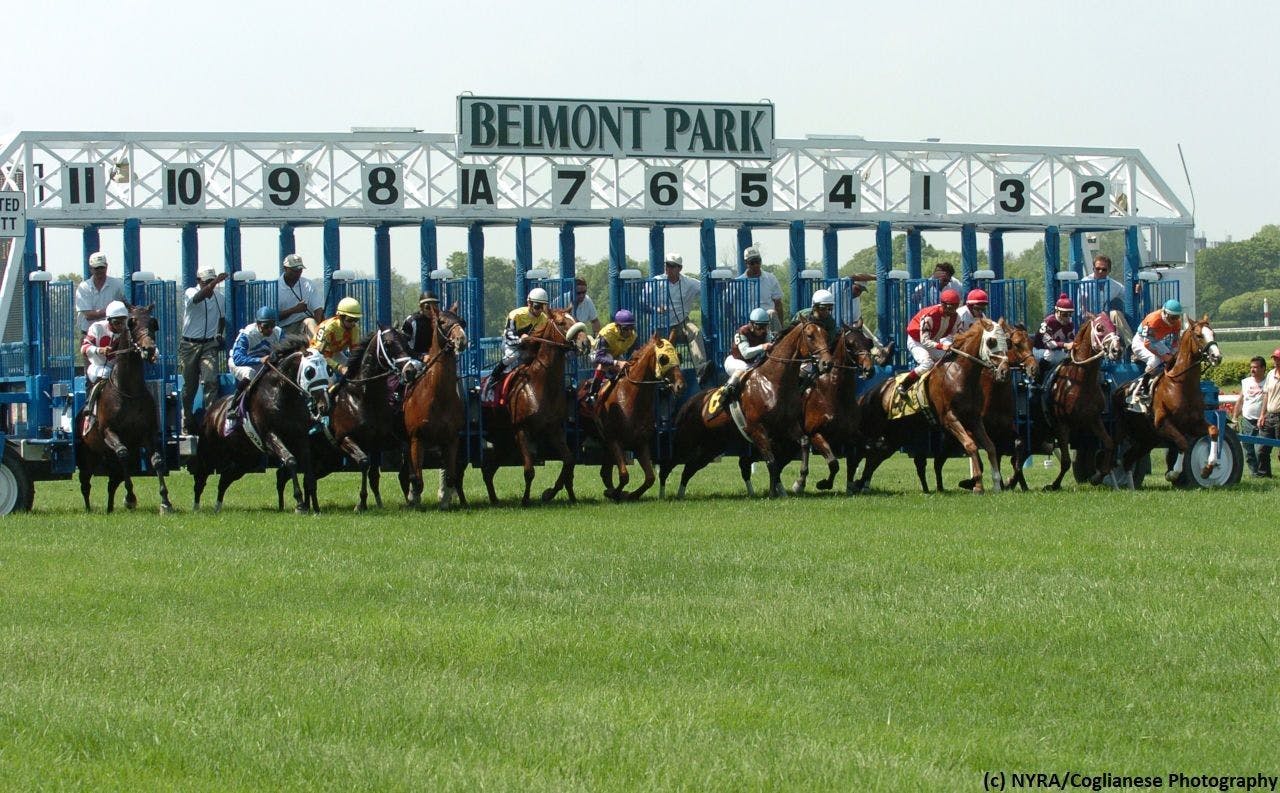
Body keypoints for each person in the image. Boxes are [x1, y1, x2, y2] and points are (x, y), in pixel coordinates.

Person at [178, 267, 228, 434]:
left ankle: (210, 420)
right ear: (199, 281)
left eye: (212, 281)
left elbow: (222, 318)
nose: (210, 286)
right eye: (206, 282)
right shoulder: (190, 292)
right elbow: (199, 298)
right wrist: (215, 283)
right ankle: (187, 418)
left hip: (208, 344)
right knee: (189, 386)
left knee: (210, 380)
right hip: (190, 345)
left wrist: (219, 333)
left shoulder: (220, 298)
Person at [484, 288, 552, 402]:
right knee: (512, 356)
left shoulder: (544, 319)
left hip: (529, 347)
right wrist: (521, 340)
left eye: (543, 307)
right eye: (537, 306)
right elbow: (509, 336)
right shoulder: (516, 315)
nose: (540, 310)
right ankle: (492, 380)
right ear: (529, 303)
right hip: (511, 344)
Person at [225, 307, 284, 434]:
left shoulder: (278, 332)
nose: (270, 330)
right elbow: (238, 358)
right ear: (258, 324)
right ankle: (233, 408)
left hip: (263, 362)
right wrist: (259, 360)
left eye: (272, 325)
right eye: (266, 326)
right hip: (240, 363)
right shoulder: (247, 334)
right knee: (250, 373)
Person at [650, 253, 708, 380]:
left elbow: (706, 287)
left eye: (672, 266)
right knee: (662, 349)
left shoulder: (688, 282)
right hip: (661, 324)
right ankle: (660, 377)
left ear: (680, 268)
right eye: (667, 265)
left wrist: (721, 282)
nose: (668, 268)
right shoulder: (656, 281)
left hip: (681, 322)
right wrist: (655, 308)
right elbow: (642, 299)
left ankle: (702, 370)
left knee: (695, 332)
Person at [899, 288, 961, 396]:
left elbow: (954, 335)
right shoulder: (930, 316)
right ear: (943, 304)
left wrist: (951, 344)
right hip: (917, 341)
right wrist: (942, 346)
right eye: (951, 307)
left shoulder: (956, 317)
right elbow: (925, 341)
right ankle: (904, 384)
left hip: (934, 341)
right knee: (928, 363)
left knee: (950, 359)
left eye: (955, 307)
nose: (953, 311)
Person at [79, 300, 129, 431]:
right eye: (116, 322)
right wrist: (99, 350)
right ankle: (89, 410)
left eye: (123, 322)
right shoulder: (97, 327)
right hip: (98, 367)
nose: (120, 326)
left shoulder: (128, 331)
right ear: (109, 320)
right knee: (105, 373)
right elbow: (84, 348)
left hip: (118, 370)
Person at [1129, 298, 1183, 407]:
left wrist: (1172, 354)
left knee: (1174, 360)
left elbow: (1176, 342)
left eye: (1177, 317)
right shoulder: (1153, 319)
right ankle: (1143, 388)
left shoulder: (1177, 323)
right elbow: (1147, 343)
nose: (1174, 320)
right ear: (1165, 313)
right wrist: (1164, 356)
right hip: (1141, 341)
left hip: (1156, 341)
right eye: (1172, 317)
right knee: (1155, 360)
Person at [583, 309, 638, 408]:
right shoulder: (607, 333)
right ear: (618, 327)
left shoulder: (633, 335)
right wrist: (617, 363)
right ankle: (592, 395)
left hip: (616, 354)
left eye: (631, 327)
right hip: (598, 355)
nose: (629, 331)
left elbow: (635, 353)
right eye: (626, 328)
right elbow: (599, 358)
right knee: (606, 363)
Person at [722, 308, 773, 402]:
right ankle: (725, 393)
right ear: (752, 324)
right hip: (734, 361)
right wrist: (762, 347)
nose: (762, 330)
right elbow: (745, 354)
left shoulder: (765, 333)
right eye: (760, 327)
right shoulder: (742, 332)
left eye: (765, 326)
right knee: (745, 369)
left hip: (751, 363)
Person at [310, 297, 364, 385]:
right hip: (316, 356)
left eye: (356, 320)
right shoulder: (328, 328)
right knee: (331, 380)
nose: (353, 323)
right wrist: (340, 368)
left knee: (355, 372)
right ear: (340, 317)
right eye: (350, 320)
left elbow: (355, 353)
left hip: (333, 353)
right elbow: (320, 355)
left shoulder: (354, 328)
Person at [74, 252, 127, 337]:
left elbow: (126, 305)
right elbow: (89, 315)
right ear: (91, 269)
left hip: (113, 334)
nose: (99, 270)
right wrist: (113, 311)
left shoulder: (118, 285)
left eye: (102, 267)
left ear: (106, 266)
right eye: (96, 268)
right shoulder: (83, 287)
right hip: (89, 334)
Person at [276, 254, 323, 342]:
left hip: (303, 323)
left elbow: (318, 309)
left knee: (310, 322)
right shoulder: (275, 287)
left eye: (300, 270)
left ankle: (316, 348)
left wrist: (319, 328)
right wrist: (294, 310)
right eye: (294, 270)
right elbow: (273, 317)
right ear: (285, 268)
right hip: (284, 328)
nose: (297, 273)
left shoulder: (308, 284)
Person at [737, 246, 785, 332]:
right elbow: (727, 302)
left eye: (758, 261)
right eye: (752, 262)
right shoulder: (738, 282)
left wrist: (781, 326)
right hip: (748, 322)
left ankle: (778, 338)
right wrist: (734, 320)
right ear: (746, 263)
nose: (756, 265)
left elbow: (778, 304)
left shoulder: (771, 278)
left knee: (771, 312)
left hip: (767, 322)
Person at [1238, 356, 1267, 477]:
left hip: (1263, 420)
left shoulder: (1268, 382)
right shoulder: (1246, 382)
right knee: (1248, 448)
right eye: (1251, 367)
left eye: (1255, 367)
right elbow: (1240, 400)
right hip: (1247, 420)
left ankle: (1264, 472)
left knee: (1260, 449)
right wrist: (1235, 417)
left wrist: (1264, 415)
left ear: (1263, 368)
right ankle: (1254, 473)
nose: (1252, 370)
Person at [1034, 294, 1077, 375]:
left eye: (1070, 314)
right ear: (1057, 312)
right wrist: (1065, 345)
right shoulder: (1049, 322)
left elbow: (1071, 340)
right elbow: (1049, 344)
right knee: (1050, 355)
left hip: (1057, 351)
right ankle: (1037, 382)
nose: (1067, 317)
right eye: (1064, 314)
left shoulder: (1070, 324)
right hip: (1039, 350)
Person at [1256, 350, 1280, 478]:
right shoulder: (1270, 374)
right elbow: (1266, 395)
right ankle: (1264, 475)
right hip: (1269, 416)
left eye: (1278, 359)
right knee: (1262, 449)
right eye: (1275, 359)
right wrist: (1262, 415)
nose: (1276, 362)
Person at [401, 291, 439, 358]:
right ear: (421, 307)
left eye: (435, 307)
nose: (432, 311)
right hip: (414, 359)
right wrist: (420, 357)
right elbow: (403, 345)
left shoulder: (439, 321)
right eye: (428, 307)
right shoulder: (411, 321)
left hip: (434, 358)